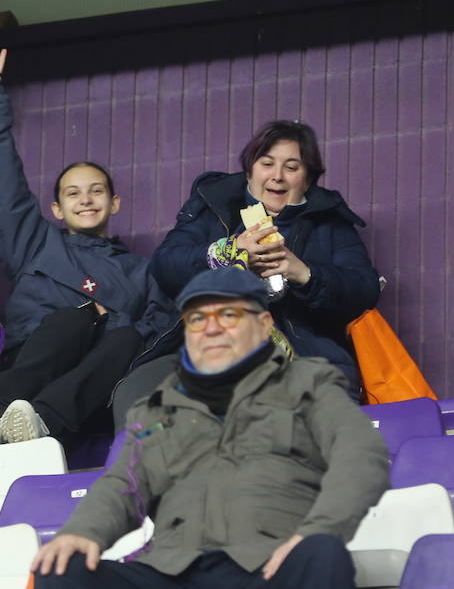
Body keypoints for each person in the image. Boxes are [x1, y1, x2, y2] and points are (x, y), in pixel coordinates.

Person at [31, 265, 389, 589]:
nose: (212, 329)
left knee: (323, 554)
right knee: (62, 568)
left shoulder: (309, 386)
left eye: (229, 314)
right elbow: (124, 483)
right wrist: (83, 532)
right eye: (198, 319)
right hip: (175, 571)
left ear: (263, 325)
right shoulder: (159, 408)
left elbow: (361, 457)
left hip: (268, 566)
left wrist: (318, 529)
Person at [0, 47, 174, 447]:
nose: (86, 199)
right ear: (56, 208)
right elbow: (1, 182)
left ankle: (39, 419)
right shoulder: (35, 244)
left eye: (97, 191)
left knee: (129, 338)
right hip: (35, 359)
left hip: (98, 381)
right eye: (73, 193)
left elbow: (160, 327)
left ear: (115, 203)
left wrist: (108, 321)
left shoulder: (142, 271)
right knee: (70, 320)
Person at [115, 121, 380, 425]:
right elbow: (166, 264)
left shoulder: (330, 222)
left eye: (291, 167)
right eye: (267, 164)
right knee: (138, 392)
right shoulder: (213, 204)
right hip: (205, 347)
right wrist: (228, 252)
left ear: (307, 180)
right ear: (250, 170)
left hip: (301, 354)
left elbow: (364, 288)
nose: (277, 176)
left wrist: (304, 272)